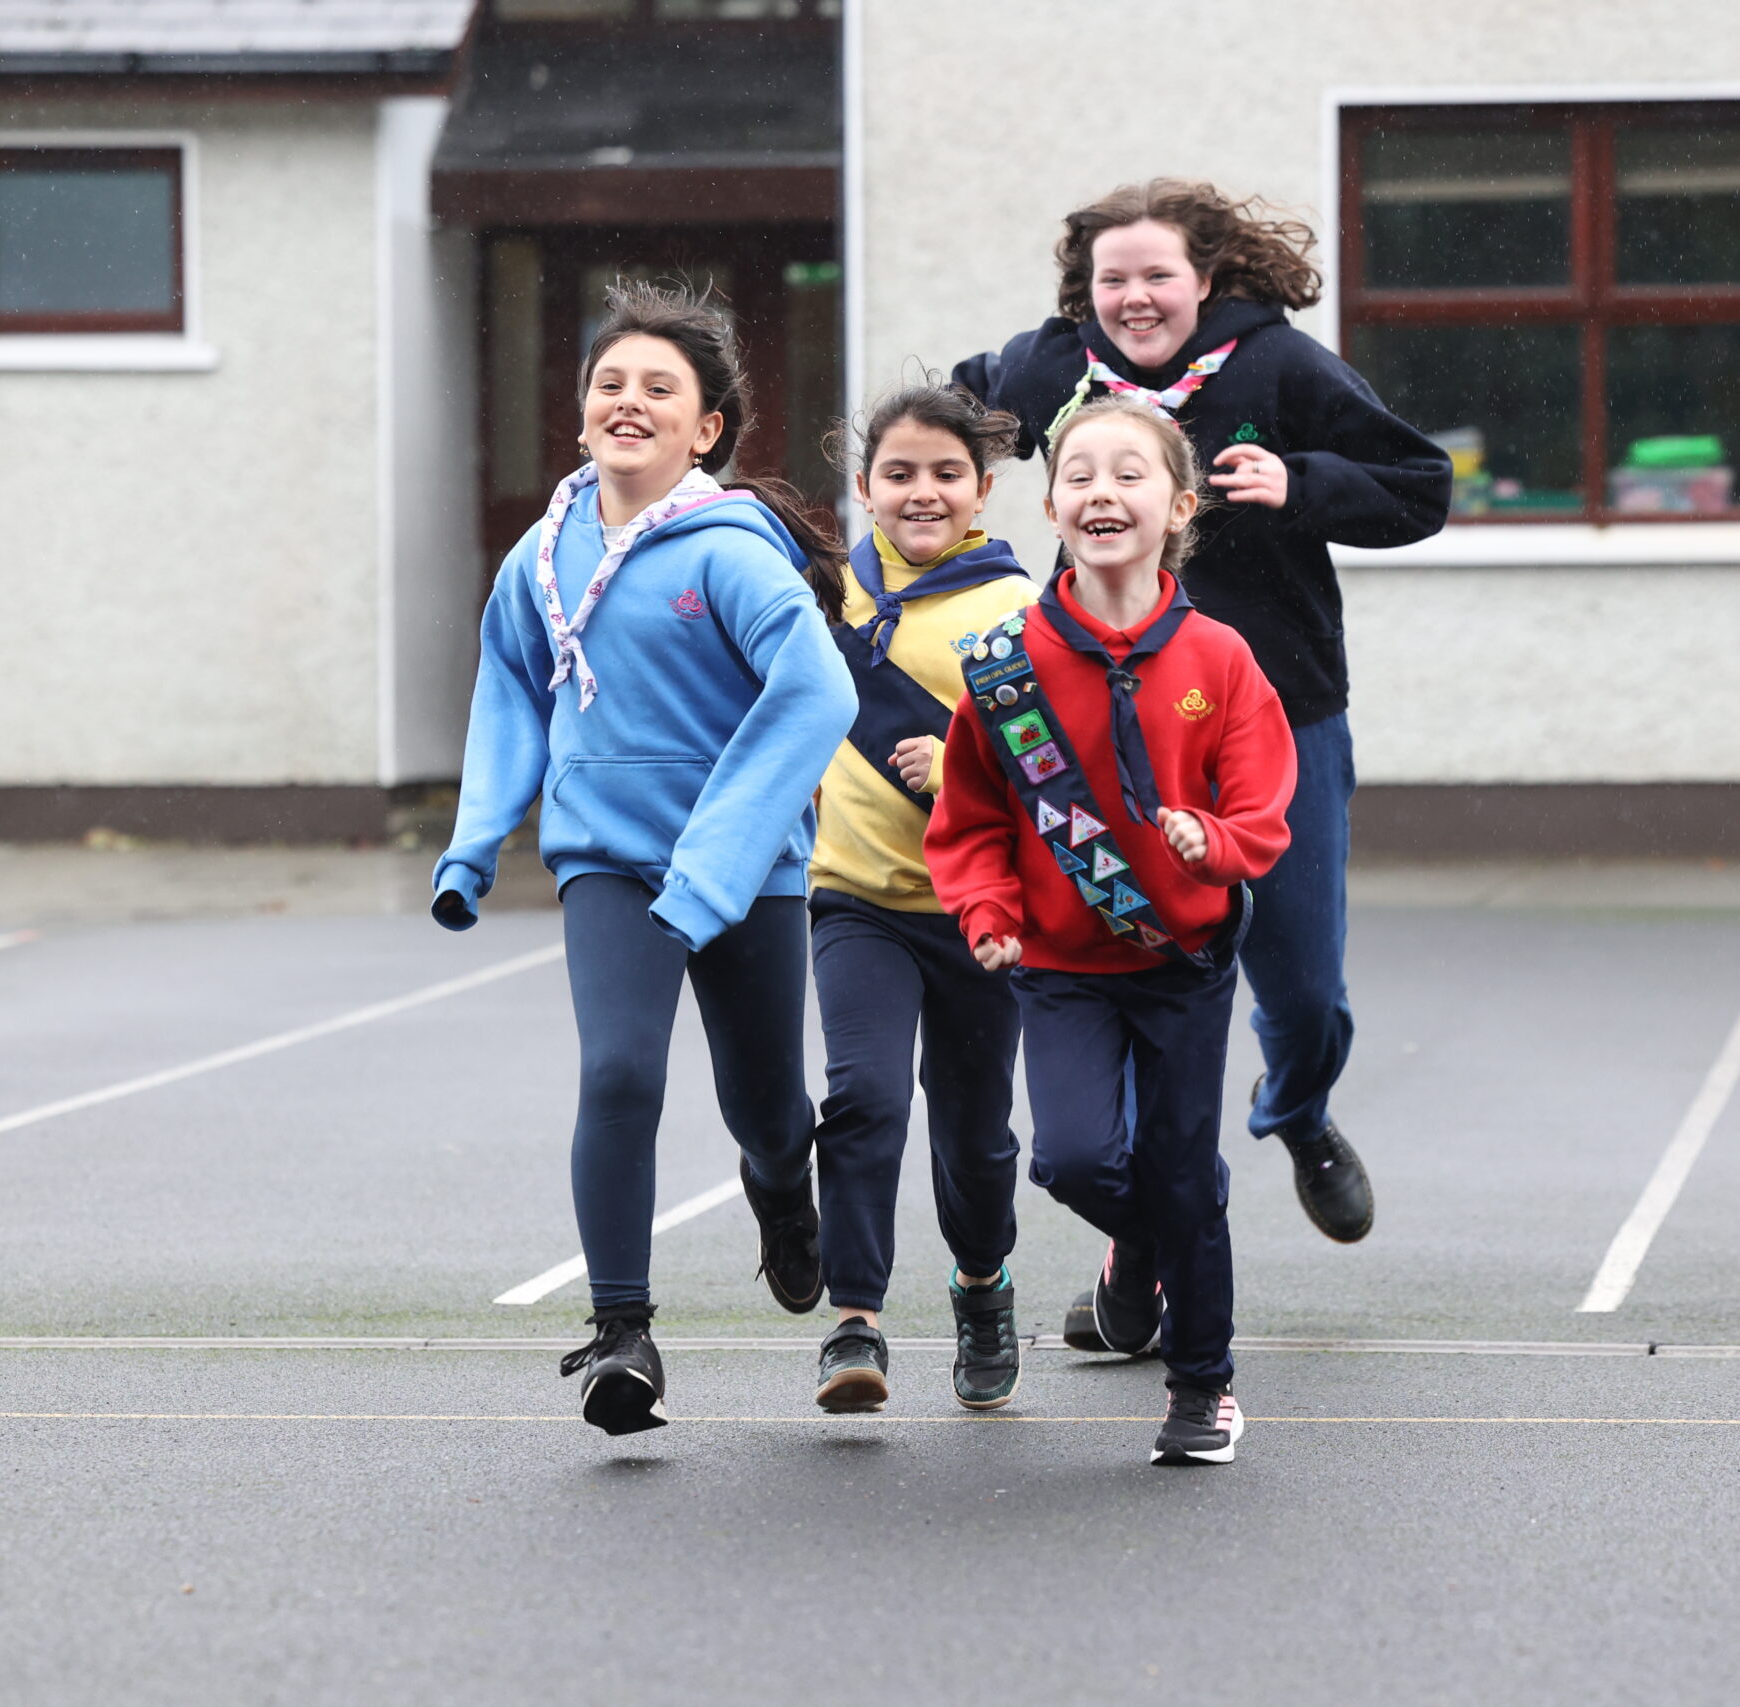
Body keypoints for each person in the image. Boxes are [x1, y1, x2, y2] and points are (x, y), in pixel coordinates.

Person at [955, 180, 1452, 1271]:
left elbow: (1422, 487)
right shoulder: (1054, 370)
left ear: (1207, 280)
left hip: (1277, 714)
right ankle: (1142, 1248)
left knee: (1303, 986)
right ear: (1086, 293)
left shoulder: (1279, 369)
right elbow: (957, 420)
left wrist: (1302, 481)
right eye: (1111, 281)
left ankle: (1300, 1109)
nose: (1135, 299)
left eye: (1157, 277)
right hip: (1101, 719)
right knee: (1132, 972)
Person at [430, 282, 857, 1438]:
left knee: (767, 1108)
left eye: (658, 389)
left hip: (743, 870)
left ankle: (782, 1189)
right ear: (579, 417)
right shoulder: (542, 552)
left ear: (705, 428)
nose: (629, 402)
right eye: (609, 385)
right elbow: (512, 691)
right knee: (618, 1074)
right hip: (608, 861)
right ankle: (623, 1334)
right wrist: (477, 841)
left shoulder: (729, 551)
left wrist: (719, 860)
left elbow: (819, 688)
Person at [926, 396, 1297, 1466]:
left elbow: (1262, 799)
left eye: (1128, 474)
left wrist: (1212, 844)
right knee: (1078, 1158)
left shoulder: (1221, 658)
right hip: (1057, 963)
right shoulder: (1004, 664)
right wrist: (988, 912)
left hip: (1182, 961)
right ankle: (1157, 1237)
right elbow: (971, 816)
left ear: (1178, 505)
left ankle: (1202, 1384)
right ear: (1049, 506)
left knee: (1183, 1168)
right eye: (1078, 474)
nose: (1101, 491)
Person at [804, 384, 1039, 1415]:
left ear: (982, 490)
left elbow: (1056, 764)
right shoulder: (826, 595)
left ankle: (980, 1285)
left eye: (946, 473)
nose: (922, 491)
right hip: (855, 898)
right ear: (864, 488)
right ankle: (853, 1321)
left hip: (980, 905)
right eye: (898, 473)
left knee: (975, 1131)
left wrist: (965, 767)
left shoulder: (1022, 608)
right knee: (863, 1098)